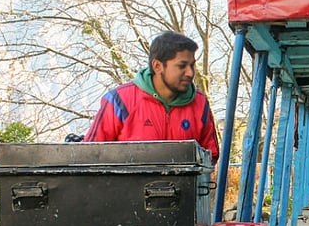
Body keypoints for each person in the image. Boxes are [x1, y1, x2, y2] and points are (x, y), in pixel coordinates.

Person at [84, 31, 220, 163]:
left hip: (186, 180)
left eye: (192, 65)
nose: (190, 73)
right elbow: (89, 155)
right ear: (157, 66)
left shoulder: (200, 103)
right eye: (182, 66)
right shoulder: (119, 101)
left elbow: (211, 156)